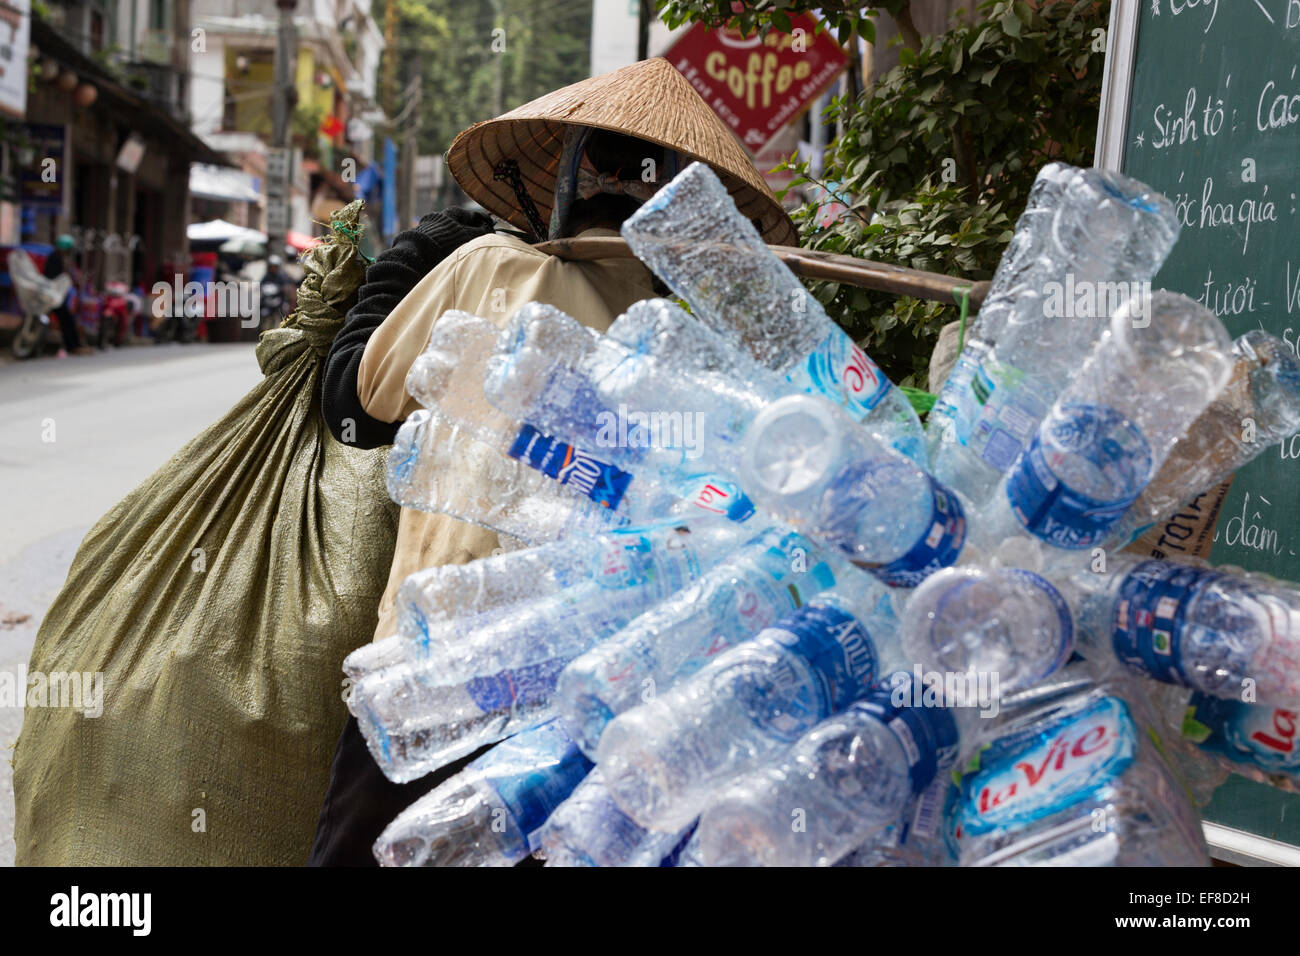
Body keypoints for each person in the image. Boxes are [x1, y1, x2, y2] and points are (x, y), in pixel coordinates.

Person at [308, 57, 795, 865]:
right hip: (589, 684)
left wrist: (402, 267)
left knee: (364, 851)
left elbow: (357, 403)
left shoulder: (487, 267)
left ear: (566, 180)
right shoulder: (692, 336)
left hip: (430, 650)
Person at [43, 234, 90, 357]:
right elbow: (52, 278)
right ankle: (73, 346)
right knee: (66, 319)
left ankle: (74, 345)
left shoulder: (57, 257)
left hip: (55, 295)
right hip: (52, 296)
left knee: (67, 319)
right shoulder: (55, 258)